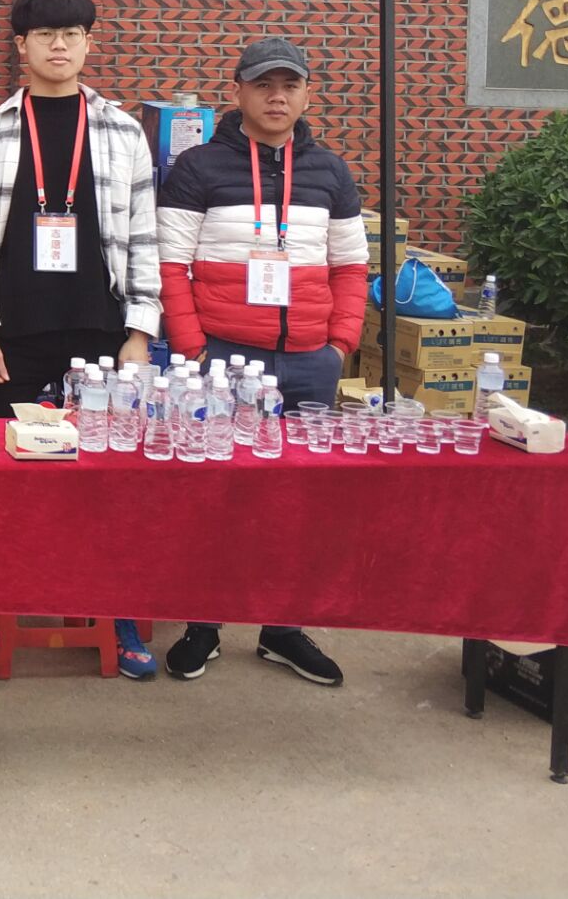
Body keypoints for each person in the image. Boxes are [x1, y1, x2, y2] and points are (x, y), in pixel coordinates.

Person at [0, 0, 161, 679]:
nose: (60, 45)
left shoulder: (122, 132)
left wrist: (140, 330)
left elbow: (144, 236)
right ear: (22, 45)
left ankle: (116, 615)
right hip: (9, 336)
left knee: (103, 487)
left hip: (99, 332)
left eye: (72, 34)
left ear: (89, 42)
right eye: (45, 35)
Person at [155, 37, 368, 687]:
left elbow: (351, 267)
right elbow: (171, 266)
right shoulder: (197, 168)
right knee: (215, 497)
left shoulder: (330, 172)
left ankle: (283, 628)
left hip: (309, 362)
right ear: (239, 91)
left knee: (296, 503)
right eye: (264, 85)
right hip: (222, 359)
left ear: (306, 94)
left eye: (289, 85)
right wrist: (194, 348)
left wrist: (339, 346)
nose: (277, 97)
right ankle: (204, 623)